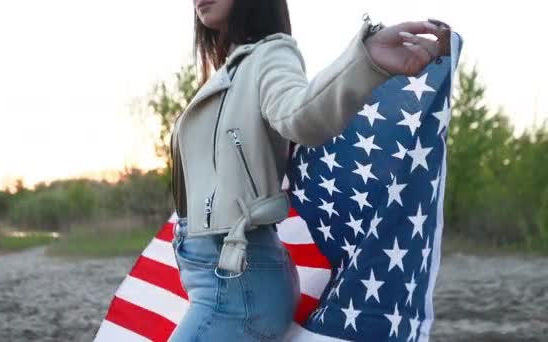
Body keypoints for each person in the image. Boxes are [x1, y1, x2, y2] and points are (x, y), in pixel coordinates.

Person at [168, 0, 451, 340]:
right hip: (220, 281)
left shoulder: (271, 54)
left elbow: (299, 116)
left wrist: (366, 61)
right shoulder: (230, 69)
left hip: (239, 284)